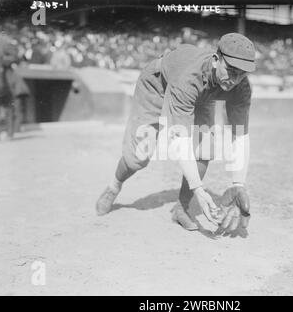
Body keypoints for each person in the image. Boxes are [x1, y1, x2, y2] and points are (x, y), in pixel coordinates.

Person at [96, 33, 255, 231]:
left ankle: (181, 208)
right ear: (216, 60)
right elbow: (180, 140)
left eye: (241, 74)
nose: (234, 80)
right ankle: (114, 185)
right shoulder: (189, 78)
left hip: (201, 95)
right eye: (231, 70)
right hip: (157, 84)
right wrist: (198, 188)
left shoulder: (241, 86)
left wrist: (238, 183)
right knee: (138, 157)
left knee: (204, 151)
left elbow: (240, 136)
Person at [0, 28, 30, 141]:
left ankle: (9, 133)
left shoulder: (3, 42)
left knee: (7, 106)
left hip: (5, 78)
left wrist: (1, 61)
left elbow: (15, 57)